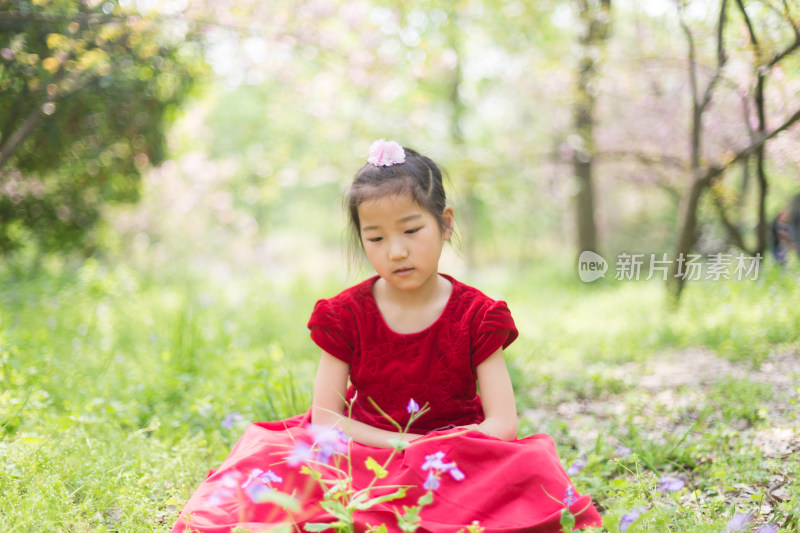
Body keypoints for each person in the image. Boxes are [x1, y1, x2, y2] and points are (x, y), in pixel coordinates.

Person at [172, 140, 602, 532]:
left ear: (445, 224)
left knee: (528, 464)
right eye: (375, 238)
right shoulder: (345, 315)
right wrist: (403, 444)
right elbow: (326, 419)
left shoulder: (477, 315)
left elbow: (502, 425)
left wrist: (430, 449)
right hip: (366, 450)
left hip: (455, 459)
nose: (396, 251)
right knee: (287, 470)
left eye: (412, 231)